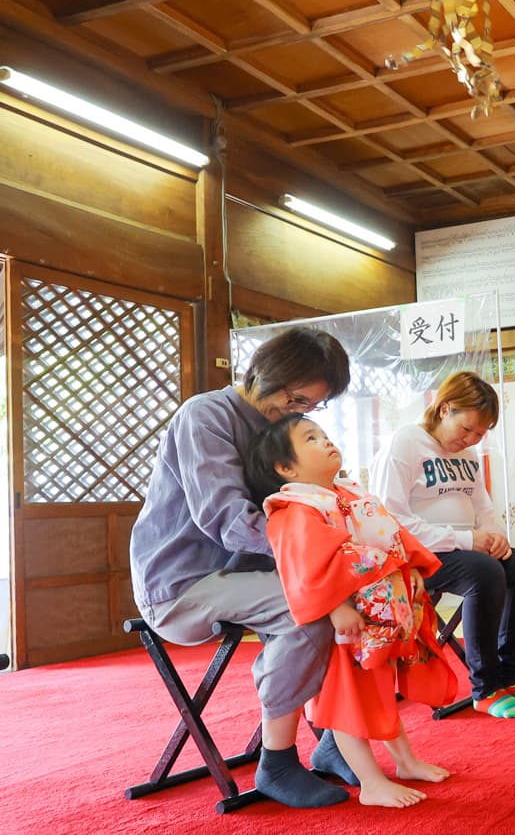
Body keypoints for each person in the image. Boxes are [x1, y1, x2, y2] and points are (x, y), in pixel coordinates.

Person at [129, 326, 358, 808]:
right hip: (181, 582)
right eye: (296, 399)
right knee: (311, 606)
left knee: (354, 601)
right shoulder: (206, 416)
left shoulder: (278, 425)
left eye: (311, 407)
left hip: (247, 572)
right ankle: (277, 762)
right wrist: (316, 551)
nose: (299, 412)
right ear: (264, 373)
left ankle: (336, 742)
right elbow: (225, 519)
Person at [244, 413, 457, 808]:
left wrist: (413, 571)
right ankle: (371, 782)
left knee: (380, 691)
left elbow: (394, 535)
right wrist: (336, 606)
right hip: (350, 622)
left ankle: (405, 761)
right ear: (285, 467)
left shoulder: (349, 495)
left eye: (324, 434)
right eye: (311, 438)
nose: (326, 441)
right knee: (349, 702)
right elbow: (305, 566)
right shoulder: (294, 508)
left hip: (381, 613)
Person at [369, 371, 515, 719]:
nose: (471, 439)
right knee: (484, 572)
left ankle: (508, 679)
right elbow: (390, 519)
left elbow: (483, 509)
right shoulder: (405, 443)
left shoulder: (467, 456)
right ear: (444, 409)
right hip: (417, 553)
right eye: (466, 429)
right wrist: (466, 539)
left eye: (480, 434)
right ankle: (485, 687)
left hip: (465, 547)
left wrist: (495, 536)